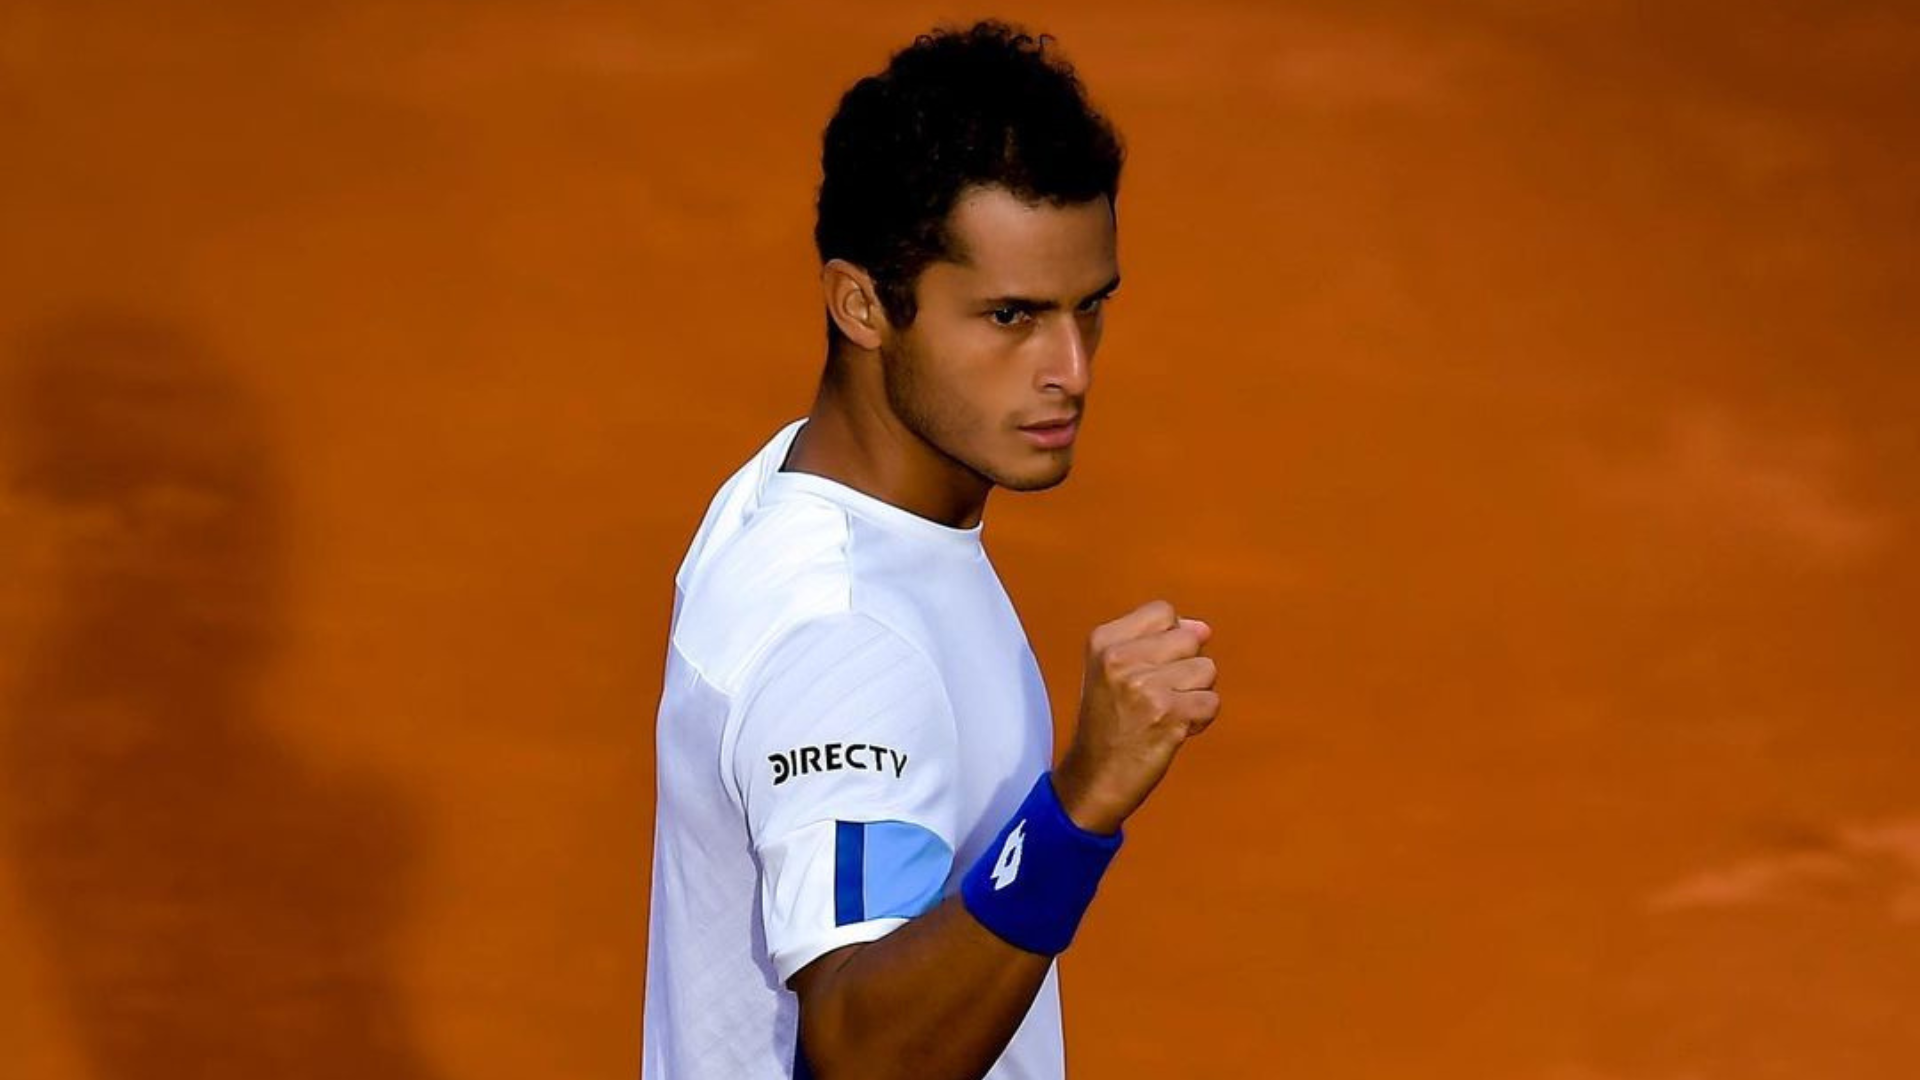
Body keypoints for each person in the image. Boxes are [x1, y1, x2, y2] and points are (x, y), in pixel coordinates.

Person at [640, 19, 1221, 1080]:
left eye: (1089, 309)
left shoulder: (800, 491)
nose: (1072, 369)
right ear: (861, 303)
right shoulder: (845, 636)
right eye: (1011, 316)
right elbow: (864, 1052)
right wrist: (1079, 805)